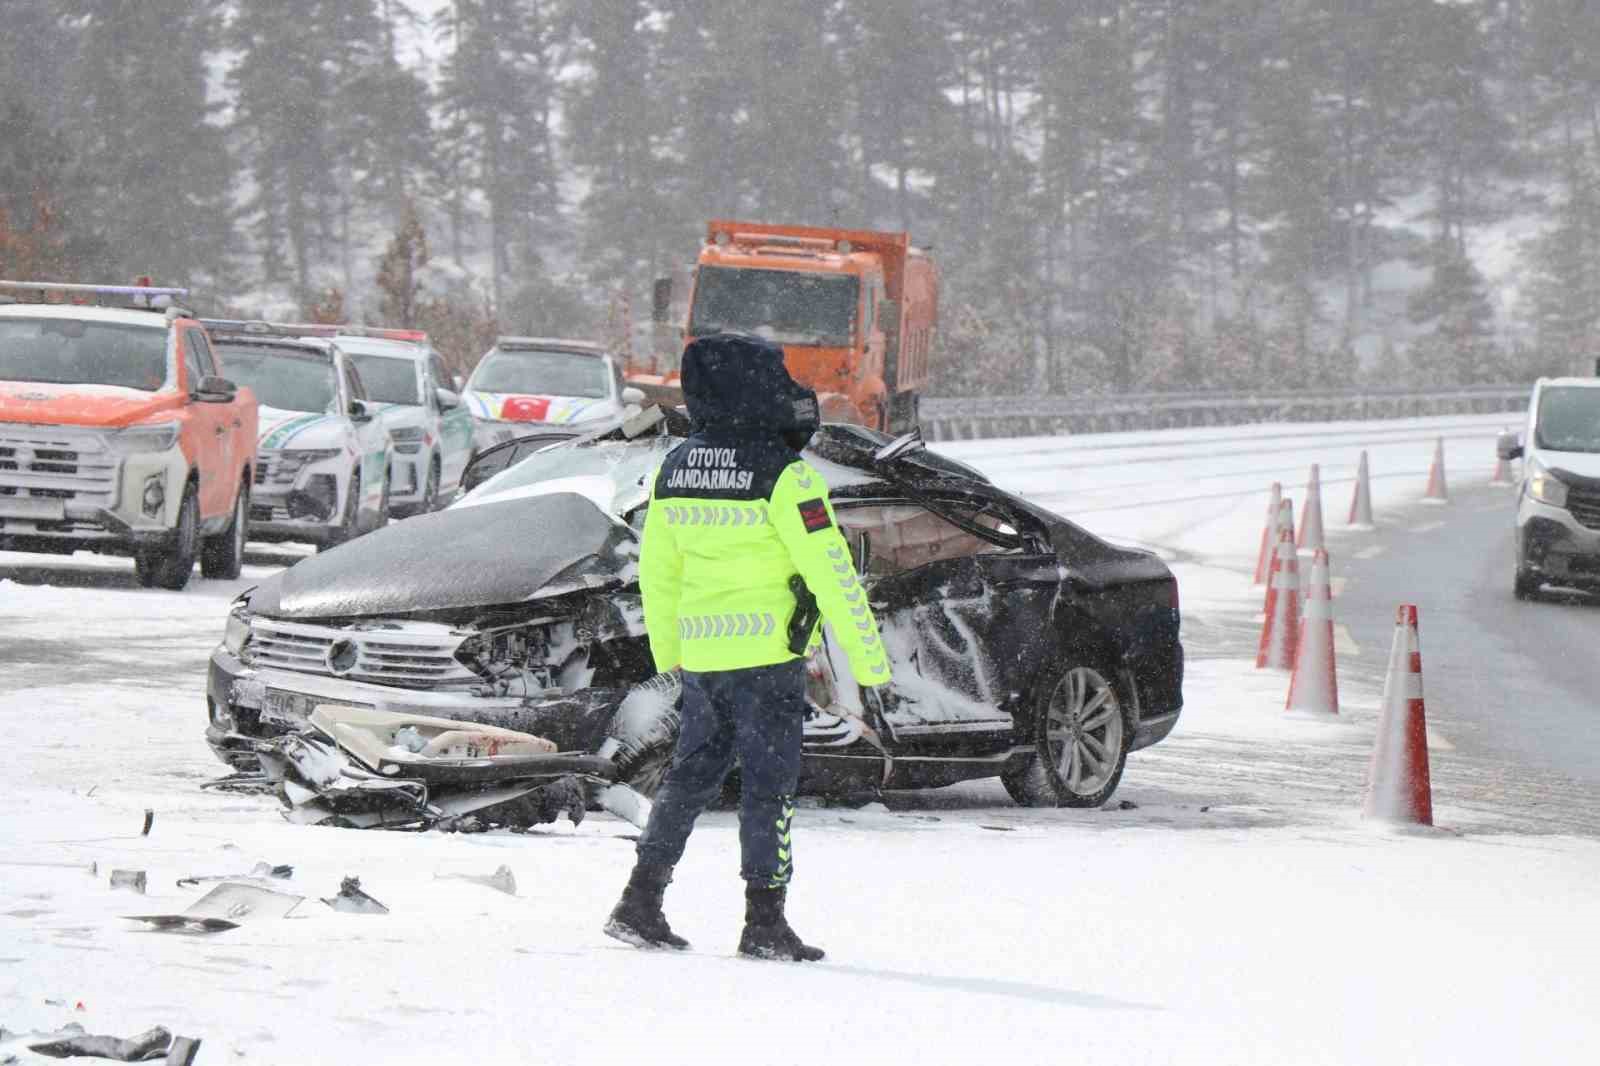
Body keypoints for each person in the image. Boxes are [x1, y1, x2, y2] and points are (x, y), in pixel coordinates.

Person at [604, 332, 892, 961]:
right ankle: (765, 922)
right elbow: (833, 572)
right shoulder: (787, 476)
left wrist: (669, 655)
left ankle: (639, 901)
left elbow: (659, 574)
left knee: (687, 780)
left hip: (704, 661)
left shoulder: (673, 468)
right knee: (769, 788)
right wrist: (870, 662)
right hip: (768, 662)